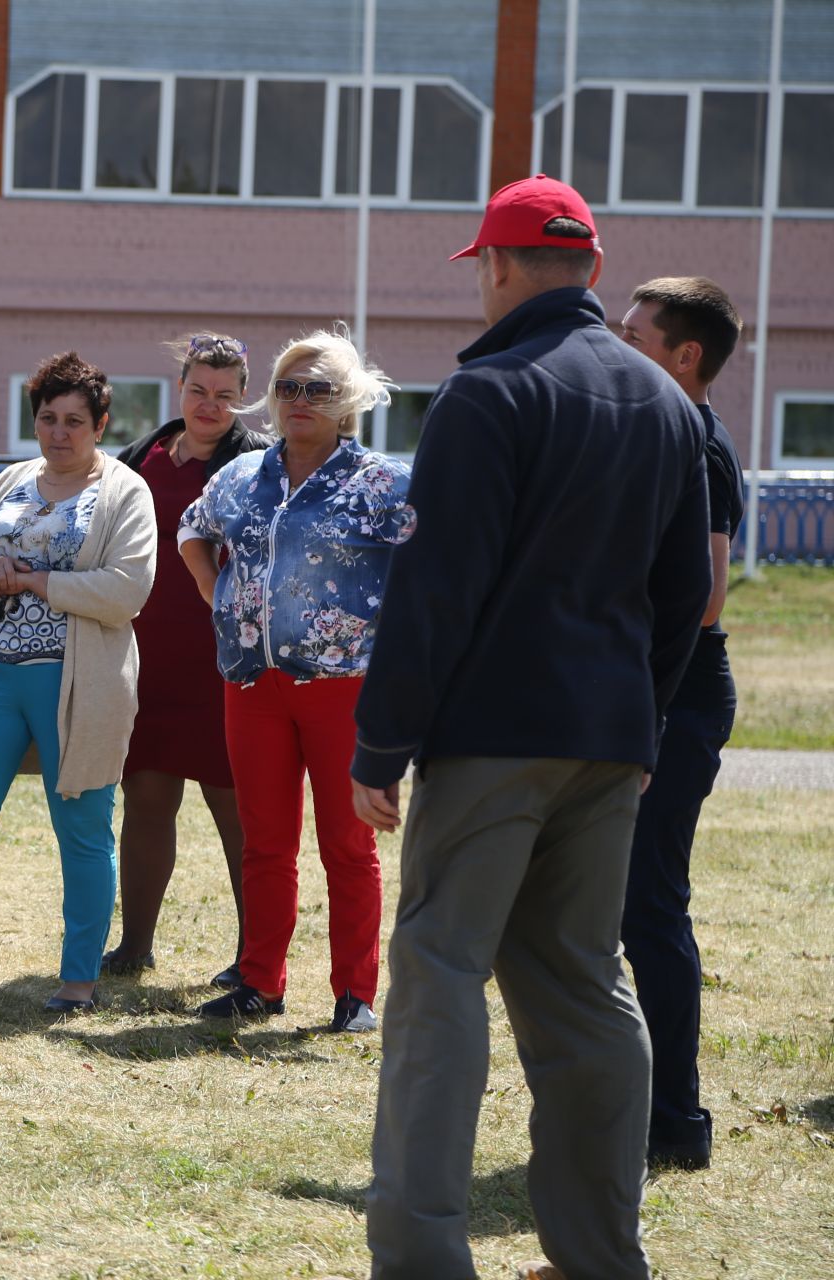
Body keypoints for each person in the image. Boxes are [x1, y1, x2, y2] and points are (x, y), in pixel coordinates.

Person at [350, 177, 711, 1280]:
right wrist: (643, 726)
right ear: (594, 270)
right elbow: (685, 587)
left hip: (494, 734)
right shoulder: (666, 404)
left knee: (439, 974)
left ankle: (421, 1256)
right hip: (609, 737)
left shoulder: (488, 392)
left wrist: (381, 744)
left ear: (496, 267)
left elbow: (433, 591)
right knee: (583, 981)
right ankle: (601, 1254)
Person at [0, 352, 156, 1016]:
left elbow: (128, 590)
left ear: (100, 424)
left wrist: (36, 580)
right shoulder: (13, 479)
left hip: (77, 680)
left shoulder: (125, 491)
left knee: (84, 830)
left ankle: (77, 981)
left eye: (75, 420)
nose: (59, 433)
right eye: (47, 417)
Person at [178, 330, 412, 1033]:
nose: (300, 400)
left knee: (348, 841)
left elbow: (423, 572)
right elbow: (193, 529)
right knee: (266, 839)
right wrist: (224, 601)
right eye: (288, 387)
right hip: (252, 683)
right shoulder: (241, 476)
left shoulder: (383, 482)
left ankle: (356, 995)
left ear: (348, 400)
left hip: (343, 686)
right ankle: (260, 983)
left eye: (317, 388)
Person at [617, 276, 747, 1171]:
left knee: (649, 910)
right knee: (626, 907)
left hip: (678, 698)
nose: (617, 345)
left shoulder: (695, 442)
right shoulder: (660, 428)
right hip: (653, 693)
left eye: (634, 334)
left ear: (684, 354)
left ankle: (675, 1125)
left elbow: (701, 599)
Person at [104, 333, 268, 986]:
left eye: (225, 395)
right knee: (145, 798)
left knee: (240, 813)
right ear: (181, 387)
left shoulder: (259, 466)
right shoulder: (139, 457)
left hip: (227, 666)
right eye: (199, 390)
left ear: (243, 399)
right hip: (144, 661)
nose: (209, 405)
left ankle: (257, 957)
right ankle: (134, 946)